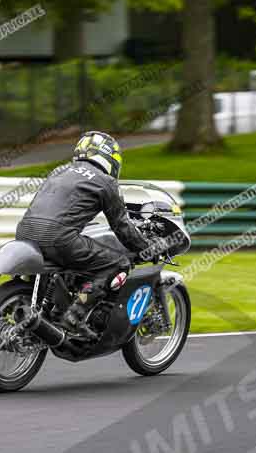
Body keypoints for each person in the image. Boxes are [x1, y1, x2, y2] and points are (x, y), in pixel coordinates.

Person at [15, 131, 155, 338]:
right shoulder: (106, 182)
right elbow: (122, 228)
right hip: (58, 238)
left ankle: (39, 306)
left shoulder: (59, 170)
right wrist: (149, 248)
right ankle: (75, 315)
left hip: (24, 232)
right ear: (109, 158)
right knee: (118, 263)